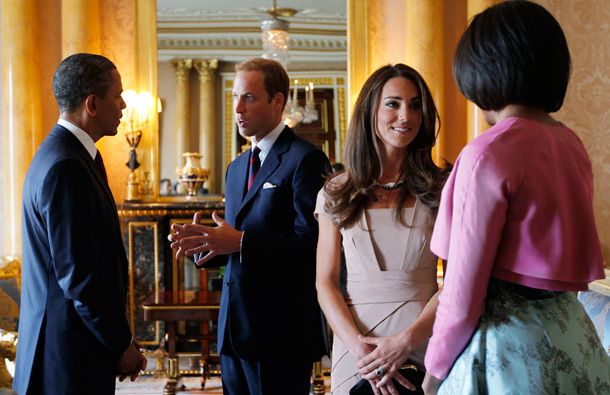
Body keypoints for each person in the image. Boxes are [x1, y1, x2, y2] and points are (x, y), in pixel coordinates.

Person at [422, 2, 610, 394]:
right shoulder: (571, 144)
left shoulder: (487, 153)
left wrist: (432, 376)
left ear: (483, 68)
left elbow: (461, 294)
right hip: (576, 342)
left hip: (508, 352)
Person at [168, 57, 330, 394]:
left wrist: (239, 242)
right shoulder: (236, 168)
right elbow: (232, 245)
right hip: (232, 329)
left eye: (250, 98)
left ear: (278, 100)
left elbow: (311, 248)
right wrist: (204, 246)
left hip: (280, 331)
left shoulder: (306, 159)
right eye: (235, 97)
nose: (238, 108)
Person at [13, 53, 147, 395]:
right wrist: (122, 345)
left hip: (71, 350)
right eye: (117, 96)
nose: (122, 105)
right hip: (65, 359)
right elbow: (81, 278)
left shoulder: (65, 154)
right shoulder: (66, 166)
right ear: (92, 103)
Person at [316, 64, 450, 394]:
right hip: (356, 347)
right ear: (370, 110)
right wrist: (360, 350)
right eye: (393, 103)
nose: (405, 116)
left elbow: (458, 281)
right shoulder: (336, 191)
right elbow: (326, 282)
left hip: (423, 342)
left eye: (415, 105)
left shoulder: (443, 189)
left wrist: (406, 341)